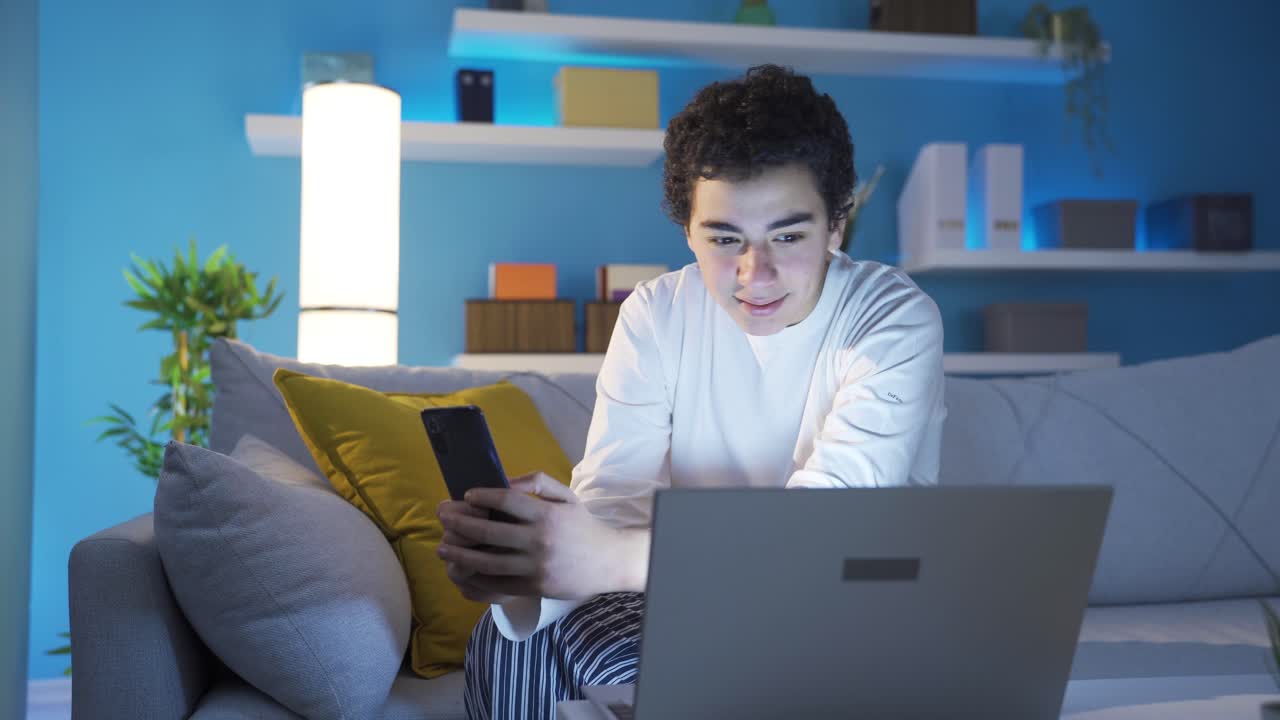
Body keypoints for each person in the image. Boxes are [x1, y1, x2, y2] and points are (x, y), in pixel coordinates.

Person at [435, 63, 947, 720]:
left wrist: (616, 559)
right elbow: (615, 503)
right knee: (513, 641)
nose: (754, 274)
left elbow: (826, 535)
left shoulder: (892, 318)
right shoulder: (656, 312)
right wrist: (530, 568)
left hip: (849, 608)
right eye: (725, 238)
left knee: (635, 658)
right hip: (687, 597)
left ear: (836, 225)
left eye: (787, 236)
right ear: (688, 231)